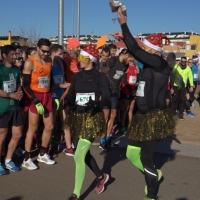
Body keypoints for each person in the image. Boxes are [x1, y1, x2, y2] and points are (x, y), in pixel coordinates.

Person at [113, 8, 176, 200]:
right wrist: (124, 39)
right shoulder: (150, 64)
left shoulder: (159, 63)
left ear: (151, 50)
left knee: (146, 158)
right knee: (132, 154)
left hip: (154, 118)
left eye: (146, 48)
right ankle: (155, 175)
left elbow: (135, 49)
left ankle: (152, 196)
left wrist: (124, 23)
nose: (144, 52)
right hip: (141, 117)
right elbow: (136, 48)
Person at [63, 44, 111, 200]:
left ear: (90, 59)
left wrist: (94, 104)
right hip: (78, 117)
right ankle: (100, 177)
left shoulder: (101, 77)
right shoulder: (77, 76)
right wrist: (64, 102)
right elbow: (71, 95)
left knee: (78, 156)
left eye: (82, 58)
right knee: (84, 153)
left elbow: (107, 99)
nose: (79, 60)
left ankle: (75, 194)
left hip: (92, 118)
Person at [22, 38, 58, 170]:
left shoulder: (48, 60)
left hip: (47, 95)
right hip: (35, 95)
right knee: (33, 127)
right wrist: (34, 100)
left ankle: (42, 153)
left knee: (50, 126)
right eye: (43, 51)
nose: (46, 54)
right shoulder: (29, 62)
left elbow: (51, 80)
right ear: (37, 48)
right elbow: (25, 84)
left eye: (48, 51)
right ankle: (27, 158)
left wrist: (54, 96)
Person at [99, 48, 134, 150]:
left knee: (113, 115)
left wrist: (118, 91)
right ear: (126, 55)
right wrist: (101, 91)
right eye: (130, 60)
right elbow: (102, 73)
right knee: (106, 115)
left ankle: (108, 138)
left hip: (115, 92)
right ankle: (102, 139)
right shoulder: (113, 60)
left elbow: (120, 79)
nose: (130, 63)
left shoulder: (125, 65)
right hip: (106, 91)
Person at [0, 45, 23, 175]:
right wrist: (10, 95)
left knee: (17, 134)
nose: (15, 57)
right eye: (12, 55)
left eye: (16, 54)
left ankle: (8, 160)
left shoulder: (16, 69)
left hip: (14, 106)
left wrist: (19, 92)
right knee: (2, 136)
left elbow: (18, 84)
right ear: (4, 55)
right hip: (3, 107)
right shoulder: (0, 69)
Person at [50, 44, 71, 156]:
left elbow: (62, 78)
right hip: (52, 97)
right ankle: (51, 147)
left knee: (65, 121)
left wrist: (64, 86)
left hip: (61, 97)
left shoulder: (61, 64)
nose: (62, 56)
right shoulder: (48, 65)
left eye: (62, 53)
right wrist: (61, 85)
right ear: (53, 53)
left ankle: (68, 147)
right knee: (51, 125)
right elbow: (48, 84)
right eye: (59, 54)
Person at [62, 38, 81, 155]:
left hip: (77, 94)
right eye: (77, 47)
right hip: (66, 94)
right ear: (70, 48)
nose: (79, 49)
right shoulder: (65, 60)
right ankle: (68, 146)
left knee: (74, 120)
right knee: (66, 120)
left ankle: (71, 141)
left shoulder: (79, 60)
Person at [119, 58, 139, 134]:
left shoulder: (136, 67)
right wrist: (131, 90)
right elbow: (125, 80)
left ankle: (130, 126)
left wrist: (135, 90)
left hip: (133, 91)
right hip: (127, 90)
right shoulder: (126, 67)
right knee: (126, 108)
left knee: (131, 108)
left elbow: (137, 79)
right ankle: (122, 125)